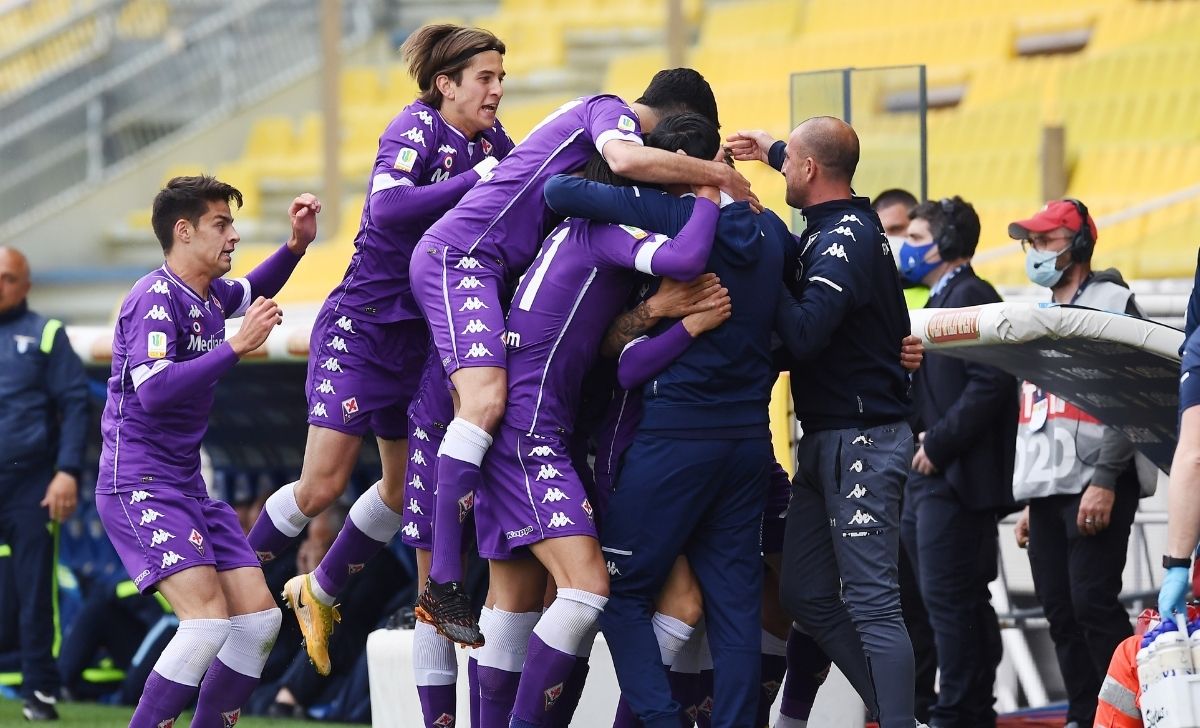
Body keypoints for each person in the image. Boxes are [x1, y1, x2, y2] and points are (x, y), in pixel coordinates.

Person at [409, 67, 750, 647]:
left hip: (501, 294)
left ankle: (444, 589)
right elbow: (623, 163)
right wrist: (714, 179)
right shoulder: (610, 114)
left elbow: (566, 192)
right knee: (487, 402)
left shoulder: (588, 213)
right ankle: (439, 581)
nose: (672, 164)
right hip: (464, 258)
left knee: (522, 597)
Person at [243, 23, 514, 686]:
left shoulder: (494, 143)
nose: (497, 91)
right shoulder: (415, 128)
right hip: (362, 329)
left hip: (421, 337)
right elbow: (389, 209)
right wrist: (478, 177)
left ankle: (322, 591)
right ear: (445, 83)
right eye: (486, 78)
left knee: (399, 492)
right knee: (323, 486)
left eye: (502, 79)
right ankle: (231, 586)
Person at [96, 175, 320, 728]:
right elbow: (154, 391)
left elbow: (251, 289)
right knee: (205, 625)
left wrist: (296, 246)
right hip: (139, 484)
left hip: (189, 489)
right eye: (221, 224)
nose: (233, 236)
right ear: (184, 231)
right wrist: (235, 347)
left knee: (260, 622)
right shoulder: (153, 297)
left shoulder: (209, 296)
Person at [727, 119, 917, 728]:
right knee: (804, 591)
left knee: (873, 605)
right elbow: (817, 164)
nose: (782, 171)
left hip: (863, 439)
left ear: (809, 171)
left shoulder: (844, 239)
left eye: (789, 163)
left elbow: (805, 335)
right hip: (825, 440)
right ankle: (897, 715)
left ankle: (900, 719)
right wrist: (770, 151)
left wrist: (760, 253)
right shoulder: (837, 225)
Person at [1008, 199, 1146, 728]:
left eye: (1047, 240)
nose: (1037, 252)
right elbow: (1040, 411)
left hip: (1097, 478)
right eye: (1033, 243)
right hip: (1048, 485)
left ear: (1079, 243)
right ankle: (1082, 714)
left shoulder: (1114, 301)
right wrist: (1031, 497)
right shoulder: (1040, 311)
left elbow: (1129, 396)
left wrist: (1107, 479)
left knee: (1091, 602)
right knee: (1060, 610)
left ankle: (1130, 711)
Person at [897, 197, 1015, 727]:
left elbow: (991, 383)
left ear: (946, 245)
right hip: (931, 476)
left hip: (952, 478)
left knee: (952, 601)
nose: (908, 248)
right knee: (939, 600)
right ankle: (961, 704)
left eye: (918, 238)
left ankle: (961, 708)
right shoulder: (946, 296)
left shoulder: (972, 296)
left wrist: (936, 446)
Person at [0, 247, 89, 720]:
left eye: (7, 278)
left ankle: (40, 691)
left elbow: (76, 403)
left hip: (30, 483)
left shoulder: (45, 335)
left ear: (26, 285)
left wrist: (66, 471)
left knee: (34, 592)